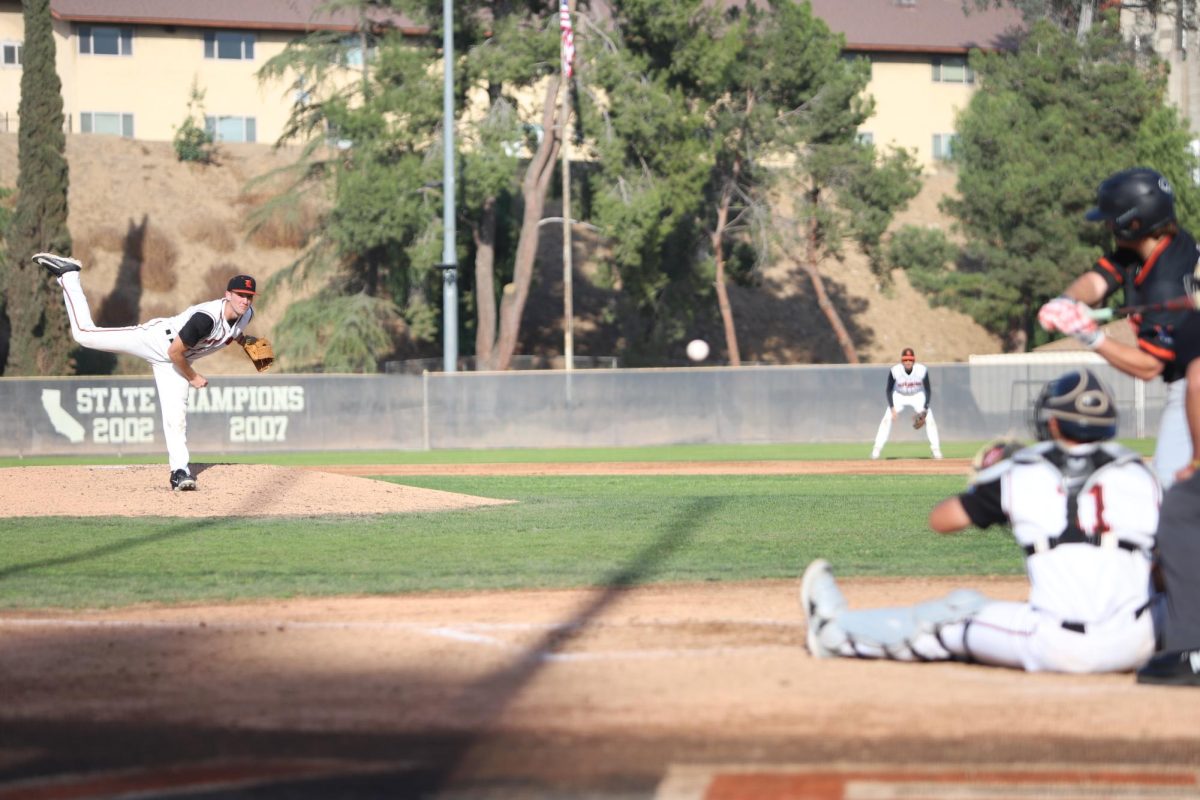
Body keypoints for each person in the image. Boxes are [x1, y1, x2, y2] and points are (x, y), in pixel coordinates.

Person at [803, 368, 1160, 674]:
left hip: (1055, 645)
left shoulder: (1023, 471)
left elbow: (942, 520)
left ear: (1053, 421)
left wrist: (989, 490)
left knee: (957, 612)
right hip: (1140, 641)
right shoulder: (1146, 476)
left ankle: (833, 633)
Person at [34, 252, 260, 492]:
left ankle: (180, 472)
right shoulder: (205, 319)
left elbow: (233, 332)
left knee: (177, 418)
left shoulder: (247, 314)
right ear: (228, 295)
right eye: (240, 295)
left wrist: (248, 344)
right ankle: (69, 274)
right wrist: (193, 377)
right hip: (157, 341)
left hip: (175, 360)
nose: (245, 301)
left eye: (249, 296)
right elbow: (175, 353)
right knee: (84, 335)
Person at [1038, 166, 1198, 490]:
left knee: (1168, 488)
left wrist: (1091, 336)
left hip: (1190, 385)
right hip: (1187, 382)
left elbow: (1149, 366)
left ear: (1134, 223)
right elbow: (1099, 279)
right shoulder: (1155, 246)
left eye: (1113, 219)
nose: (1108, 225)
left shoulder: (1166, 281)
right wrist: (1066, 300)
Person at [1137, 309, 1200, 685]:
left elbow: (1196, 379)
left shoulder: (1194, 326)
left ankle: (1191, 651)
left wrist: (1196, 458)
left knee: (1177, 510)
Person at [870, 347, 942, 460]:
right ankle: (876, 450)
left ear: (914, 360)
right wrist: (892, 408)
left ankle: (936, 450)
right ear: (902, 360)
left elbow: (928, 390)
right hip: (899, 395)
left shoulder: (922, 370)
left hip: (917, 395)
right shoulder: (895, 371)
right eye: (905, 359)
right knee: (886, 418)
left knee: (930, 418)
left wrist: (925, 408)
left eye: (910, 359)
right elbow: (889, 390)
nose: (908, 362)